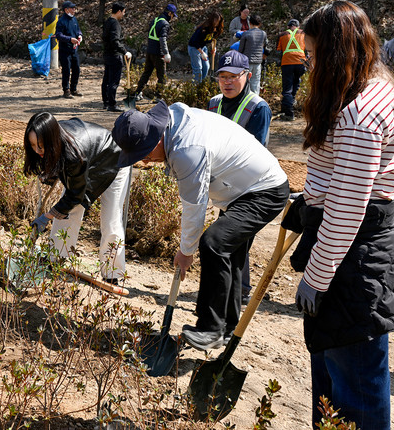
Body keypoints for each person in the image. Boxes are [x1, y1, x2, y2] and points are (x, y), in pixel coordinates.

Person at [288, 0, 394, 430]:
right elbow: (343, 177)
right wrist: (308, 201)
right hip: (351, 251)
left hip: (356, 262)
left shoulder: (360, 115)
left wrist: (315, 278)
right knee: (333, 380)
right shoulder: (371, 84)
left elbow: (347, 210)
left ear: (336, 52)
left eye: (312, 53)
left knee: (355, 389)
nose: (308, 62)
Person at [111, 101, 289, 350]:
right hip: (241, 190)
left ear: (156, 138)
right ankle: (227, 328)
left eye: (145, 154)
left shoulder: (187, 150)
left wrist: (186, 251)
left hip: (264, 191)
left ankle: (210, 329)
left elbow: (195, 207)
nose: (147, 161)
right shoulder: (173, 123)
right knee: (230, 254)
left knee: (214, 243)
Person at [24, 112, 131, 283]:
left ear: (51, 140)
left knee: (110, 218)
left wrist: (46, 217)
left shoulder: (73, 154)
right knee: (66, 213)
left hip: (114, 159)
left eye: (41, 146)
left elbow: (75, 196)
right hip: (89, 157)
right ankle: (55, 258)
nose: (37, 150)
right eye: (33, 145)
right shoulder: (52, 137)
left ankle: (112, 273)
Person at [208, 50, 272, 305]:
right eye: (222, 76)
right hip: (223, 183)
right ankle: (233, 290)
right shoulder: (214, 103)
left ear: (248, 75)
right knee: (229, 237)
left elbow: (256, 151)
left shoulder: (258, 108)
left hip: (249, 186)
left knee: (235, 238)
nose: (227, 82)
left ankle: (240, 291)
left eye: (233, 76)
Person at [132, 4, 177, 105]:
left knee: (146, 73)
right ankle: (158, 96)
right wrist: (166, 53)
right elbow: (163, 39)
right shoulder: (165, 24)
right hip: (158, 54)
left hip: (149, 51)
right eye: (173, 15)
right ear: (169, 13)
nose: (173, 18)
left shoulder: (155, 20)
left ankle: (138, 93)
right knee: (162, 76)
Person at [101, 2, 132, 112]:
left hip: (107, 54)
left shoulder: (107, 22)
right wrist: (124, 51)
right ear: (119, 11)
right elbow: (115, 40)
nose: (124, 14)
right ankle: (112, 104)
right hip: (115, 55)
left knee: (106, 80)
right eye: (123, 12)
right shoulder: (115, 24)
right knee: (113, 81)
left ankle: (106, 102)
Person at [276, 19, 306, 121]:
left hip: (287, 63)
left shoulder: (282, 35)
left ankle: (289, 113)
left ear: (288, 27)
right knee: (296, 83)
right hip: (301, 62)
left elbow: (278, 49)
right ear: (298, 26)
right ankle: (288, 106)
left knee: (287, 88)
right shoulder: (303, 33)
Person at [55, 0, 83, 99]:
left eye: (74, 8)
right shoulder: (61, 21)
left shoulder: (74, 19)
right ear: (66, 10)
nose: (74, 10)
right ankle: (66, 90)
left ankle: (73, 89)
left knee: (76, 69)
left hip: (74, 49)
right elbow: (58, 35)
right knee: (66, 70)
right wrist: (70, 39)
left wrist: (80, 35)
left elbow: (78, 30)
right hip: (65, 50)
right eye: (72, 8)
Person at [187, 11, 224, 82]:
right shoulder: (203, 28)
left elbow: (213, 39)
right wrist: (201, 53)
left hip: (203, 47)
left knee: (206, 67)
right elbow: (194, 42)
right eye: (216, 21)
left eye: (218, 21)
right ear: (212, 20)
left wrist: (214, 48)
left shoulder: (215, 29)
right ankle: (196, 86)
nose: (217, 23)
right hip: (194, 48)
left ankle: (202, 84)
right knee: (198, 69)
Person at [238, 14, 267, 94]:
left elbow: (240, 49)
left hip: (246, 62)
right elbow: (264, 46)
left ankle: (245, 99)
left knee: (245, 83)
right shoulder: (263, 34)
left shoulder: (246, 34)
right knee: (255, 83)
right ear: (259, 23)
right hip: (258, 62)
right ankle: (255, 100)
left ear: (249, 23)